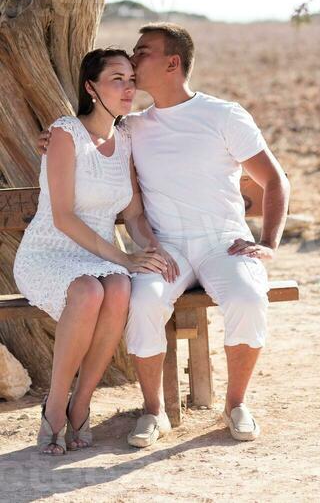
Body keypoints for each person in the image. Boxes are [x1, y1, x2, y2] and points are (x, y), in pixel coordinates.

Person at [39, 24, 290, 448]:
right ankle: (153, 411)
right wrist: (52, 137)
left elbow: (275, 181)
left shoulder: (223, 115)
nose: (133, 61)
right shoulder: (132, 127)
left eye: (142, 52)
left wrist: (268, 241)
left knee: (248, 297)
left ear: (173, 62)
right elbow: (87, 138)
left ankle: (235, 404)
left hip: (222, 242)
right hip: (164, 247)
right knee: (143, 299)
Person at [16, 47, 178, 456]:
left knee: (120, 289)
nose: (128, 88)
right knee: (90, 290)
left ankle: (81, 404)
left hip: (101, 257)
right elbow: (64, 217)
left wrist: (154, 250)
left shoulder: (124, 139)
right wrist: (123, 258)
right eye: (116, 79)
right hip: (49, 251)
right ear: (91, 87)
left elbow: (135, 214)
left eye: (130, 79)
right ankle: (54, 407)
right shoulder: (65, 133)